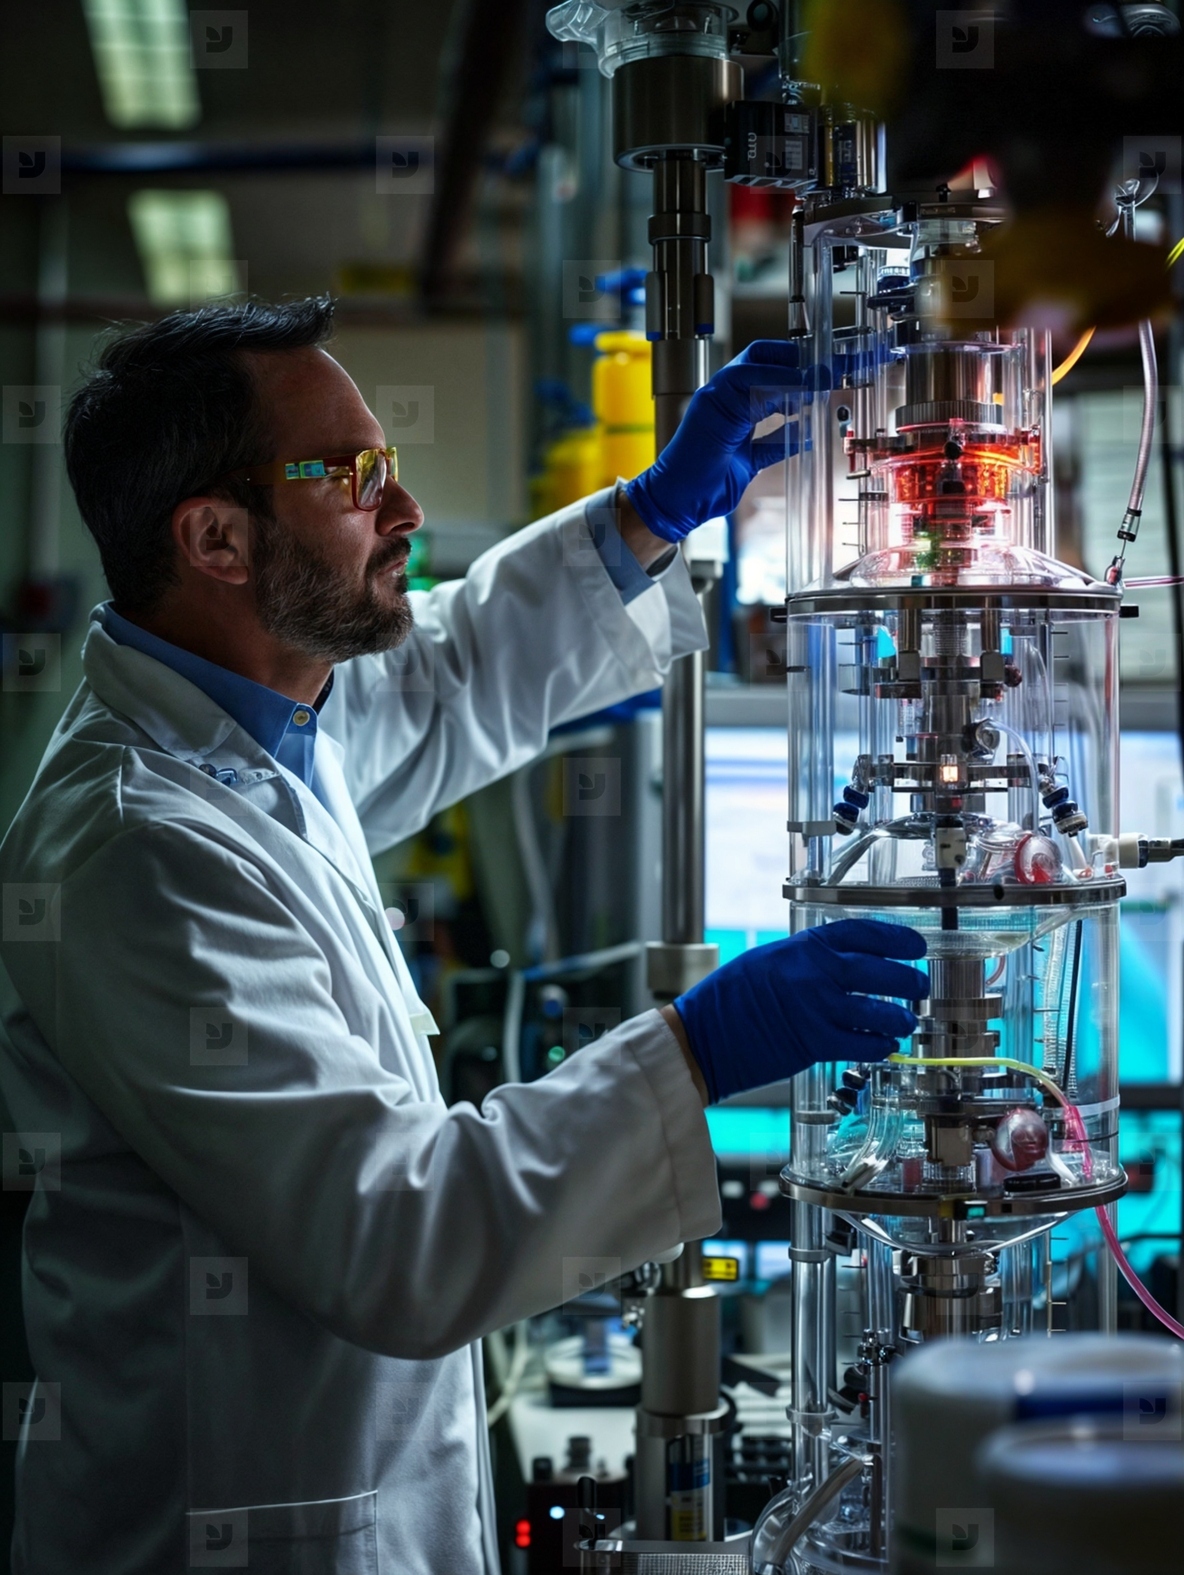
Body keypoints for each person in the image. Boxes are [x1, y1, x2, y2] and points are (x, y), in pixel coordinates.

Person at [0, 298, 926, 1574]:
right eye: (351, 475)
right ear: (215, 537)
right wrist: (696, 1052)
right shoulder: (135, 851)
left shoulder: (264, 721)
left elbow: (448, 682)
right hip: (225, 1520)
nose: (405, 510)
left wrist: (651, 510)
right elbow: (398, 1235)